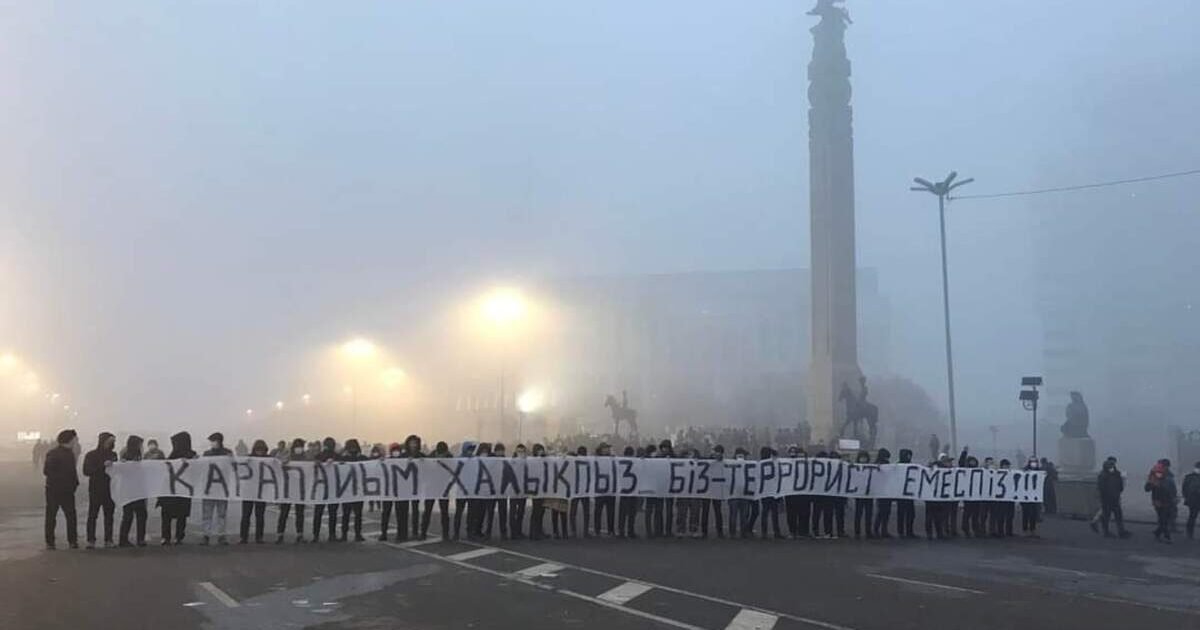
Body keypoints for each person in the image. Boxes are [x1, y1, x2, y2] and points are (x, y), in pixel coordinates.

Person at [44, 429, 80, 550]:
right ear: (69, 440)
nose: (77, 441)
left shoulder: (69, 453)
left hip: (65, 490)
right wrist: (66, 480)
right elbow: (47, 471)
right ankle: (54, 542)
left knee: (66, 516)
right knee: (54, 516)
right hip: (56, 490)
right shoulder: (54, 453)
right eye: (75, 439)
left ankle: (69, 541)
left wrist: (74, 483)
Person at [82, 431, 118, 548]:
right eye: (109, 442)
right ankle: (91, 540)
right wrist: (103, 466)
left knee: (109, 515)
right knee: (93, 515)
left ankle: (109, 539)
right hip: (96, 488)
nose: (111, 444)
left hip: (110, 489)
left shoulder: (113, 455)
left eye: (113, 442)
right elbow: (86, 471)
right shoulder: (91, 455)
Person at [158, 432, 196, 545]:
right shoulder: (172, 456)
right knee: (166, 514)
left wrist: (192, 462)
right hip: (170, 490)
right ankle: (166, 537)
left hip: (183, 490)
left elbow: (196, 472)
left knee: (181, 515)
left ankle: (179, 536)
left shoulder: (192, 456)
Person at [200, 432, 233, 545]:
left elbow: (234, 467)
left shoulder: (227, 454)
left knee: (222, 514)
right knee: (207, 514)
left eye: (213, 441)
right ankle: (206, 535)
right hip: (209, 488)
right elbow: (200, 467)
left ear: (219, 441)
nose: (212, 443)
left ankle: (221, 535)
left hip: (222, 489)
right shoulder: (207, 454)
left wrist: (232, 459)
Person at [117, 435, 148, 547]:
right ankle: (135, 539)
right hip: (131, 490)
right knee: (132, 515)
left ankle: (127, 539)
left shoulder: (139, 455)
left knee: (137, 515)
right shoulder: (126, 456)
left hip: (136, 489)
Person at [237, 440, 270, 544]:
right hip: (249, 491)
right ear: (254, 449)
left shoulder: (268, 460)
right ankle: (243, 537)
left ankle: (259, 537)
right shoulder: (249, 458)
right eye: (258, 449)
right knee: (246, 515)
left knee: (260, 515)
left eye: (261, 450)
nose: (260, 451)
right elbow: (240, 468)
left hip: (261, 491)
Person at [276, 438, 308, 543]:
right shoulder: (288, 457)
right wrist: (284, 464)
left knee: (300, 513)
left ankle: (300, 534)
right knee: (284, 513)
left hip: (300, 490)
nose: (299, 449)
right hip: (288, 489)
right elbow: (278, 467)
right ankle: (280, 534)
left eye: (301, 447)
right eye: (297, 446)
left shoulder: (306, 459)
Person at [420, 441, 453, 540]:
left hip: (442, 487)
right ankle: (423, 532)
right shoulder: (430, 458)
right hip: (433, 487)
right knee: (428, 511)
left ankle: (445, 534)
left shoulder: (449, 458)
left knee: (444, 512)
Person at [311, 437, 340, 542]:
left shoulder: (319, 456)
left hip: (322, 489)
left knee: (319, 513)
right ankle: (331, 535)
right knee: (332, 513)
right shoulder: (337, 456)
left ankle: (316, 535)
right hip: (332, 489)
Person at [1094, 456, 1130, 538]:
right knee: (1109, 516)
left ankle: (1117, 532)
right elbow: (1103, 488)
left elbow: (1101, 487)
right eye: (1111, 465)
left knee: (1113, 516)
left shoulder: (1104, 474)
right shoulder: (1113, 474)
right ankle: (1113, 532)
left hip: (1112, 498)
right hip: (1109, 499)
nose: (1112, 466)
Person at [339, 439, 367, 542]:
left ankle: (357, 533)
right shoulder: (343, 459)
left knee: (357, 514)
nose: (353, 449)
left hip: (358, 490)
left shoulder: (363, 458)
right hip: (347, 490)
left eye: (354, 446)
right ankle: (344, 534)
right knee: (346, 513)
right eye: (351, 447)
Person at [1145, 459, 1177, 543]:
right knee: (1163, 519)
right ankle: (1167, 537)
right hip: (1158, 500)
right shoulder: (1156, 474)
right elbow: (1147, 488)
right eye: (1165, 466)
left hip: (1168, 500)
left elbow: (1172, 488)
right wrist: (1151, 483)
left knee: (1165, 519)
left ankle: (1157, 533)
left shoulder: (1169, 475)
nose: (1166, 467)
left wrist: (1174, 497)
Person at [758, 446, 782, 539]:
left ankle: (764, 533)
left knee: (765, 512)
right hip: (773, 491)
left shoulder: (760, 464)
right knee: (774, 513)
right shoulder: (774, 463)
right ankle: (776, 532)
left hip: (764, 491)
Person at [593, 442, 616, 536]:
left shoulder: (613, 458)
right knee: (598, 511)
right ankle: (597, 529)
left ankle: (611, 530)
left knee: (611, 512)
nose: (607, 450)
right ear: (601, 449)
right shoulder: (595, 459)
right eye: (605, 448)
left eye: (608, 448)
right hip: (599, 489)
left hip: (610, 489)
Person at [569, 445, 592, 538]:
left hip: (575, 489)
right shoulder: (589, 462)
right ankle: (585, 532)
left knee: (573, 511)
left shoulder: (572, 461)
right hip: (585, 489)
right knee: (586, 512)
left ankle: (573, 531)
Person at [618, 445, 639, 538]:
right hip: (633, 490)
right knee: (631, 513)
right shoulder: (637, 463)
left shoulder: (620, 462)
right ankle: (630, 531)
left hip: (624, 491)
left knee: (623, 513)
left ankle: (621, 531)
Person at [895, 449, 917, 538]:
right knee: (901, 514)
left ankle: (909, 531)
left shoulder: (911, 465)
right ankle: (901, 532)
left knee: (911, 514)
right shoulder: (897, 466)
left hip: (909, 493)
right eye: (908, 455)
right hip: (901, 494)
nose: (909, 457)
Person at [852, 450, 874, 539]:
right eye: (862, 457)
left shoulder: (872, 468)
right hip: (860, 494)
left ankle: (868, 531)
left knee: (869, 514)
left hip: (869, 494)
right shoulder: (855, 468)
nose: (863, 459)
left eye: (864, 457)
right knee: (858, 513)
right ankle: (857, 532)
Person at [528, 443, 547, 540]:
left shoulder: (545, 460)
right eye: (539, 450)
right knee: (536, 511)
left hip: (543, 489)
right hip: (535, 489)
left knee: (542, 511)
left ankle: (539, 530)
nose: (541, 451)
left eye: (542, 449)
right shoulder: (532, 460)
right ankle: (533, 532)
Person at [873, 448, 893, 538]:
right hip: (886, 490)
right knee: (885, 512)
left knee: (881, 512)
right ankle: (882, 530)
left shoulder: (876, 464)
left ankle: (877, 530)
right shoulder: (885, 464)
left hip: (881, 491)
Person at [509, 444, 529, 538]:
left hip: (523, 491)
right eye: (519, 451)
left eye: (522, 451)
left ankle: (519, 531)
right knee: (513, 513)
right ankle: (513, 532)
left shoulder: (528, 462)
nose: (521, 453)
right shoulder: (511, 462)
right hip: (513, 491)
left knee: (521, 512)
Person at [1020, 457, 1042, 538]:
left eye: (1035, 462)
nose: (1034, 463)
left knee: (1033, 514)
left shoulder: (1039, 471)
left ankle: (1032, 530)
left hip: (1034, 496)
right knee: (1025, 514)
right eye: (1032, 462)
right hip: (1025, 496)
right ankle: (1025, 530)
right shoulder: (1024, 470)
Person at [1183, 461, 1200, 540]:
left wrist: (1187, 498)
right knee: (1192, 516)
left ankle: (1189, 533)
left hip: (1192, 501)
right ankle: (1189, 533)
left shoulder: (1188, 477)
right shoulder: (1191, 477)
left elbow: (1184, 489)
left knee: (1192, 516)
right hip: (1195, 500)